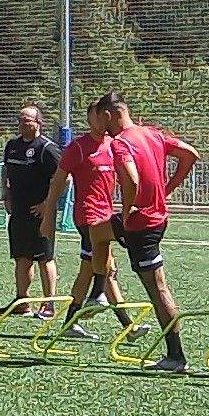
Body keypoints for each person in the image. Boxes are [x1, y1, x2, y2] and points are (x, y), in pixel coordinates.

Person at [103, 94, 197, 372]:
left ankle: (176, 355)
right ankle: (98, 286)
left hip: (142, 223)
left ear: (109, 115)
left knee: (158, 289)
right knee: (95, 237)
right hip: (156, 218)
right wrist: (167, 189)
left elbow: (131, 178)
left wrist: (127, 209)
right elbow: (190, 154)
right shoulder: (152, 134)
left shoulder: (121, 143)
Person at [41, 95, 125, 341]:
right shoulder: (77, 147)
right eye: (94, 115)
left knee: (89, 269)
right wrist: (49, 213)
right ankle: (115, 314)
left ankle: (73, 322)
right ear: (90, 119)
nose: (99, 121)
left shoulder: (114, 144)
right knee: (104, 265)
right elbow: (59, 180)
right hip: (87, 214)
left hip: (106, 213)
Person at [0, 103, 63, 316]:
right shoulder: (12, 146)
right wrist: (5, 194)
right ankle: (22, 302)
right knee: (21, 257)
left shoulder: (48, 148)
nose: (21, 123)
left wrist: (48, 205)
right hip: (19, 211)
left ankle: (49, 304)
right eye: (19, 119)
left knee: (45, 258)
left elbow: (64, 179)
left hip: (41, 214)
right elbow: (6, 171)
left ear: (38, 123)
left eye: (26, 120)